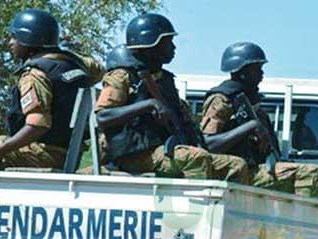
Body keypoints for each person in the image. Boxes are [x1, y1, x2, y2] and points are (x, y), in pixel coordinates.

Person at [94, 14, 248, 182]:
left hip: (164, 148)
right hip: (134, 155)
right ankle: (195, 207)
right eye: (167, 42)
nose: (173, 48)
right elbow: (102, 117)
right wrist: (148, 104)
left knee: (236, 165)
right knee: (195, 158)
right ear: (150, 44)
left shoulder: (164, 80)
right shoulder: (122, 76)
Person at [0, 8, 103, 170]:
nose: (10, 43)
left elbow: (37, 126)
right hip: (71, 152)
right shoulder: (77, 64)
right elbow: (99, 70)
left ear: (28, 39)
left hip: (44, 153)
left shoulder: (35, 75)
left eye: (14, 37)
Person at [199, 42, 318, 201]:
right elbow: (208, 144)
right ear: (242, 72)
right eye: (257, 69)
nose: (262, 74)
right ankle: (299, 223)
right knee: (309, 173)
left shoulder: (251, 103)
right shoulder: (221, 100)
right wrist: (250, 126)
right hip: (240, 173)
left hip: (261, 167)